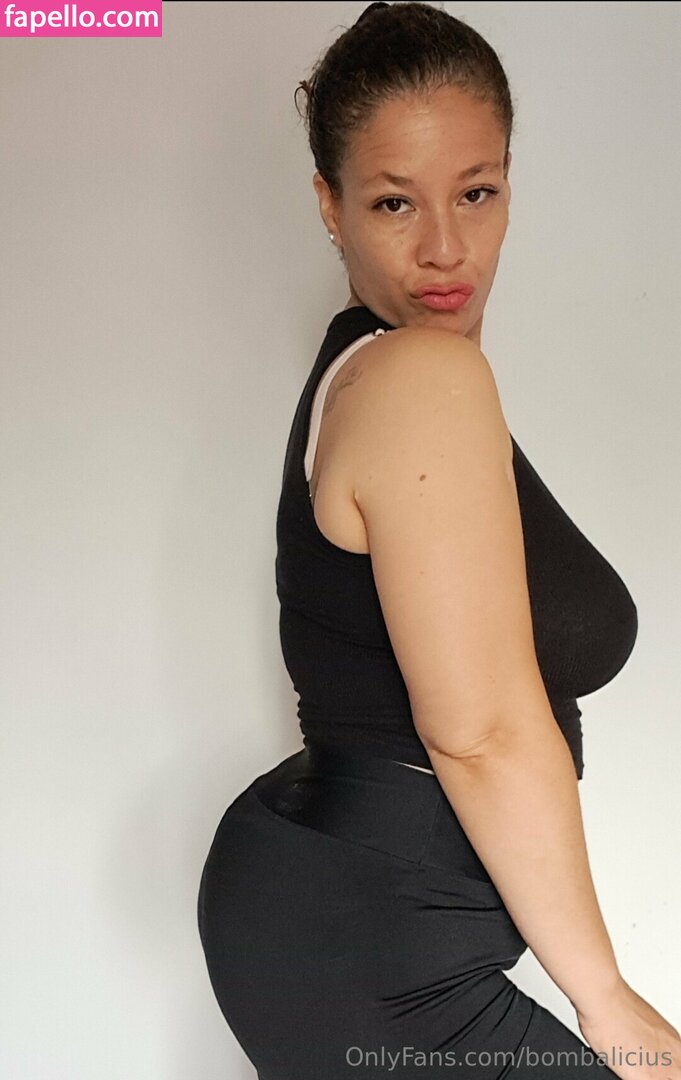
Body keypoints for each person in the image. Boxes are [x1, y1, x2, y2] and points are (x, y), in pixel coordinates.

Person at [197, 4, 680, 1078]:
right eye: (392, 202)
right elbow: (480, 732)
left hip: (358, 915)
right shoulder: (421, 377)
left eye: (476, 192)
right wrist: (609, 1006)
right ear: (328, 206)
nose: (445, 248)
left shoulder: (376, 372)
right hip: (375, 946)